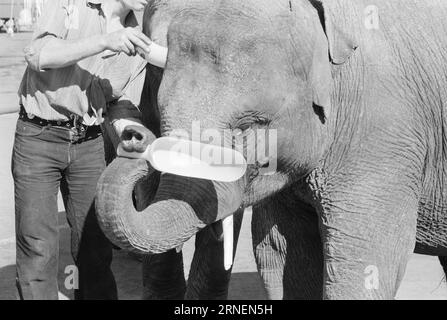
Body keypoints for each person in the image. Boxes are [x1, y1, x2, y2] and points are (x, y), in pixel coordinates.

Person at [13, 0, 155, 300]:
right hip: (39, 137)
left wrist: (131, 129)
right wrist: (104, 40)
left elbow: (117, 97)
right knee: (38, 246)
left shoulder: (139, 33)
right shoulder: (74, 4)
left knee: (94, 248)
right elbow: (38, 54)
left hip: (89, 141)